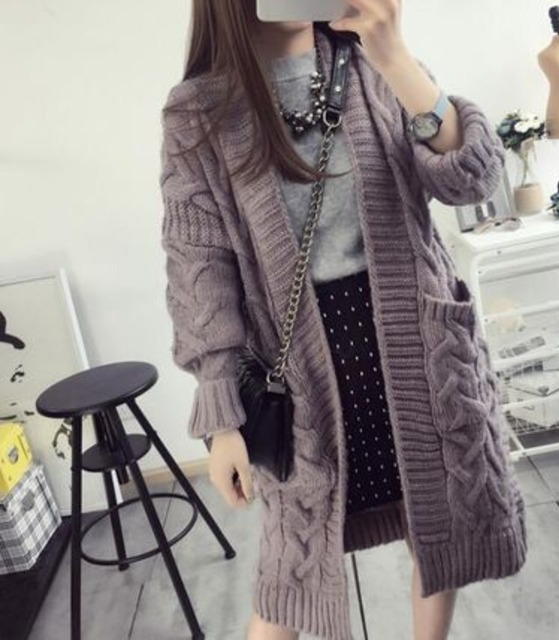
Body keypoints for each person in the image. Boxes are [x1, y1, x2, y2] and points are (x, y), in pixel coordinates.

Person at [159, 2, 528, 639]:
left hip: (417, 343)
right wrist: (220, 416)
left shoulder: (375, 64)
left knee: (436, 524)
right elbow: (198, 266)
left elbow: (475, 180)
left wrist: (396, 56)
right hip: (300, 368)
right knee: (290, 572)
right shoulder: (198, 111)